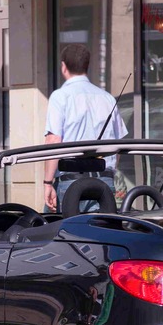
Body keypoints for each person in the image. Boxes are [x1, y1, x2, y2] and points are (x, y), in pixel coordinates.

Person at [43, 44, 125, 212]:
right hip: (104, 181)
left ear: (63, 67)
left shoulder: (60, 97)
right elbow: (118, 145)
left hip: (70, 182)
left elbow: (53, 140)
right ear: (87, 66)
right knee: (103, 233)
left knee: (62, 234)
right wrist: (110, 174)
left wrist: (47, 183)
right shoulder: (108, 98)